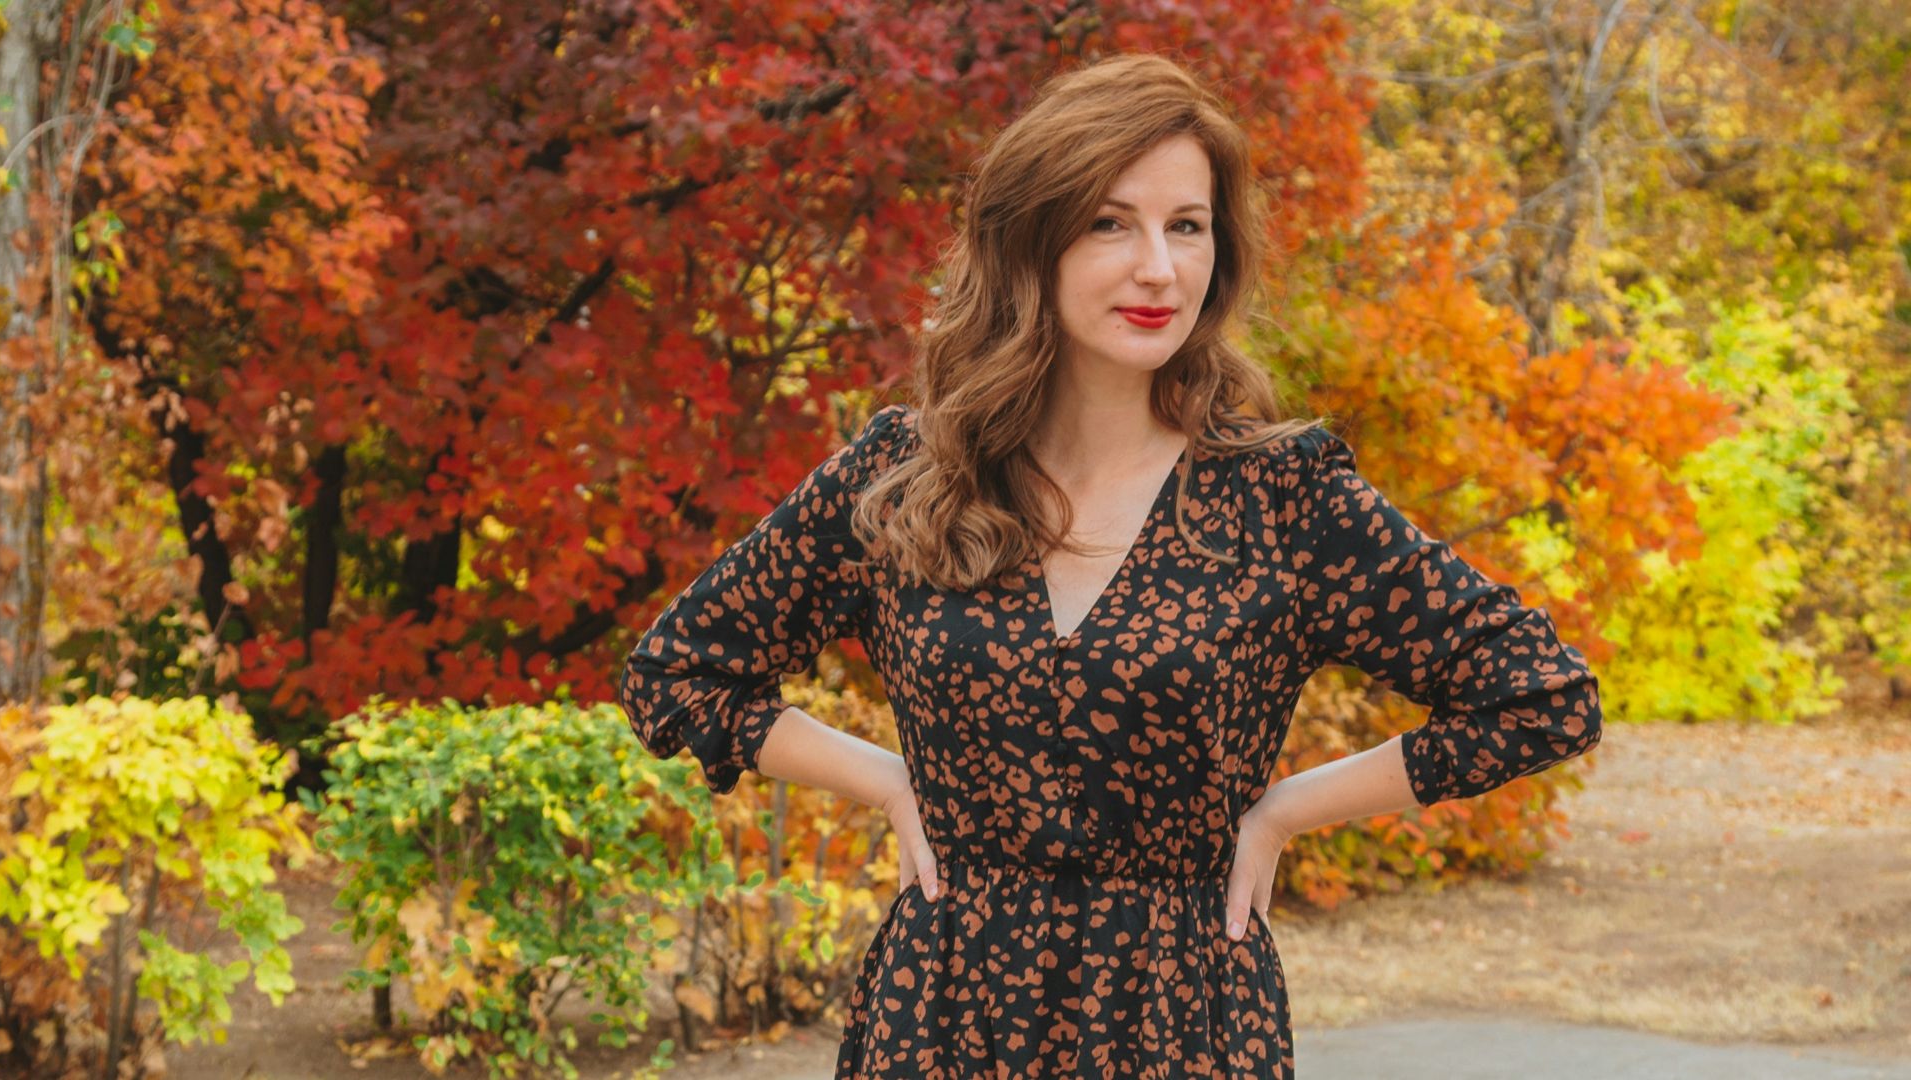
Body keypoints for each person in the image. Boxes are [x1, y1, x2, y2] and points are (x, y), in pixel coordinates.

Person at [620, 51, 1603, 1079]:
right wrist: (890, 779)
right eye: (1109, 223)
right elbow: (676, 673)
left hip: (1180, 1023)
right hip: (944, 1019)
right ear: (1029, 242)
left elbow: (1540, 697)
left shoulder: (1282, 499)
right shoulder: (911, 478)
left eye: (1187, 226)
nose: (1159, 269)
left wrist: (1281, 812)